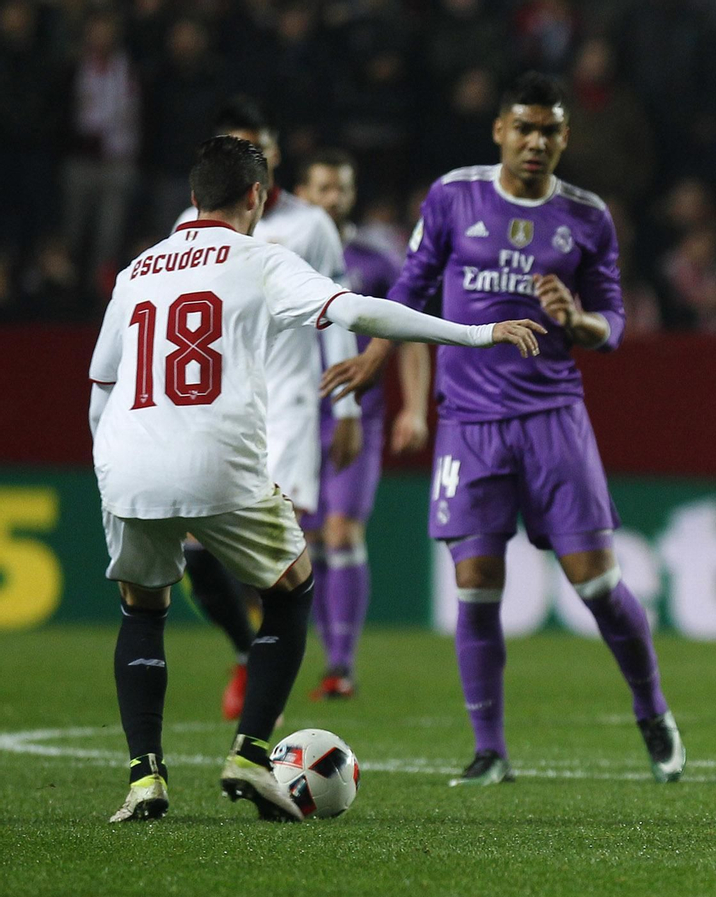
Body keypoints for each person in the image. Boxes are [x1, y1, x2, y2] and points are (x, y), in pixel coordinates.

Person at [92, 136, 540, 823]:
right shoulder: (263, 258)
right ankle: (249, 752)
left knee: (142, 608)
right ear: (258, 199)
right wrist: (476, 334)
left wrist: (111, 465)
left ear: (191, 198)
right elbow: (358, 312)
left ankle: (145, 777)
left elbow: (101, 386)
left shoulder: (136, 272)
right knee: (295, 587)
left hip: (127, 458)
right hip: (219, 458)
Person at [321, 71, 685, 785]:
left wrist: (576, 320)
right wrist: (376, 354)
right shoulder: (454, 196)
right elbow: (413, 287)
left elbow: (611, 319)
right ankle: (490, 750)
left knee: (597, 584)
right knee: (477, 583)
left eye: (549, 131)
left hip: (553, 417)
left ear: (564, 138)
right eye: (524, 128)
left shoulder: (587, 216)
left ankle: (653, 713)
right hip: (468, 422)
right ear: (499, 132)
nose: (535, 143)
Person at [175, 98, 360, 722]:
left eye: (258, 145)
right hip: (220, 410)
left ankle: (271, 696)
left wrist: (350, 404)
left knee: (282, 556)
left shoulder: (311, 226)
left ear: (274, 156)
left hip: (287, 405)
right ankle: (247, 651)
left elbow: (337, 308)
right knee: (199, 549)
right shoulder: (188, 224)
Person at [294, 148, 430, 699]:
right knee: (300, 542)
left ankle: (341, 665)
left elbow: (411, 329)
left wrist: (415, 407)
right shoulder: (277, 254)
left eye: (342, 189)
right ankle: (294, 657)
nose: (333, 198)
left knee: (342, 530)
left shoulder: (376, 257)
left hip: (357, 418)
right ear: (300, 194)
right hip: (293, 419)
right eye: (322, 188)